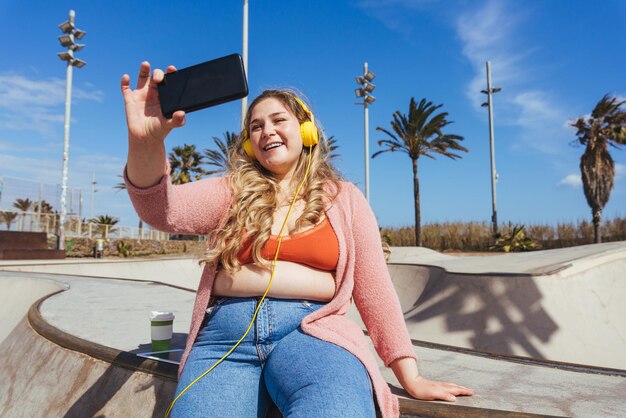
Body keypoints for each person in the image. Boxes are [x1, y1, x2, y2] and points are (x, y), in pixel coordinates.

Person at [121, 62, 473, 418]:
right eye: (255, 126)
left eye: (278, 120)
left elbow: (375, 289)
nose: (266, 131)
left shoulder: (344, 198)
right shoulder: (230, 190)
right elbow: (160, 210)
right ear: (248, 142)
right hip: (226, 337)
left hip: (315, 332)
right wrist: (145, 142)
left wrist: (409, 374)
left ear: (306, 130)